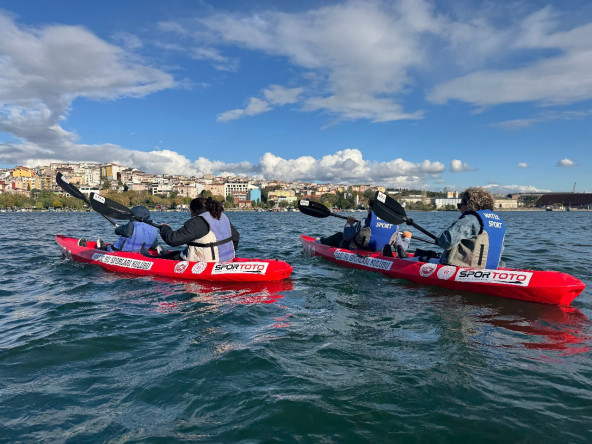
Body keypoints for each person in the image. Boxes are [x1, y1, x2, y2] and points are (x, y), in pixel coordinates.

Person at [407, 187, 505, 269]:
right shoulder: (498, 221)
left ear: (469, 205)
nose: (459, 209)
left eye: (460, 205)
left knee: (416, 259)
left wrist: (440, 241)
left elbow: (447, 241)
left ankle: (403, 259)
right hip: (490, 268)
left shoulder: (470, 218)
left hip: (462, 267)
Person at [158, 197, 240, 262]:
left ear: (195, 211)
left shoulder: (197, 222)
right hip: (228, 259)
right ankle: (163, 255)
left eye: (191, 211)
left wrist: (165, 228)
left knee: (174, 256)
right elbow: (236, 237)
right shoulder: (221, 216)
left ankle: (151, 258)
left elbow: (173, 240)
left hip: (208, 262)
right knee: (177, 253)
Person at [319, 199, 399, 252]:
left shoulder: (363, 222)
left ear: (371, 211)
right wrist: (407, 238)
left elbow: (346, 237)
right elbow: (399, 245)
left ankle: (320, 243)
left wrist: (349, 224)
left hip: (357, 251)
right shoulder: (396, 227)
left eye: (369, 209)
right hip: (378, 252)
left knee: (339, 235)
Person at [91, 205, 159, 252]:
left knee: (109, 248)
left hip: (122, 251)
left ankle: (101, 249)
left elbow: (117, 231)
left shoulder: (131, 225)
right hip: (140, 252)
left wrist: (120, 228)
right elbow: (154, 245)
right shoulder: (153, 226)